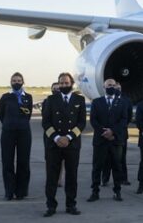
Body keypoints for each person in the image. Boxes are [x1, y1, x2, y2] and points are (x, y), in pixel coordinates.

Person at [42, 73, 87, 217]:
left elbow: (81, 123)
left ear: (72, 83)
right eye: (61, 83)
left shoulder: (79, 100)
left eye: (66, 83)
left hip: (72, 144)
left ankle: (71, 204)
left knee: (71, 176)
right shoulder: (51, 99)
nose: (63, 85)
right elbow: (46, 122)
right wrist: (56, 137)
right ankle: (51, 206)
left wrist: (68, 137)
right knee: (52, 177)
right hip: (54, 145)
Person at [88, 78, 132, 202]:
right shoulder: (97, 102)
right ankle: (95, 191)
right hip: (100, 140)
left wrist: (112, 131)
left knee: (117, 167)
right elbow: (93, 120)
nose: (111, 87)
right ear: (104, 87)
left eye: (113, 85)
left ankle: (117, 191)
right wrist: (104, 131)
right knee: (97, 167)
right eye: (108, 85)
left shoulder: (122, 102)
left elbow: (124, 120)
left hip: (115, 140)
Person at [0, 72, 33, 200]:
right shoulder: (5, 97)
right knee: (7, 162)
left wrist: (20, 124)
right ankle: (9, 190)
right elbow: (2, 115)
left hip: (24, 132)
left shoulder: (28, 97)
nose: (16, 82)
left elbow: (28, 115)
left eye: (19, 80)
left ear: (23, 82)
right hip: (8, 132)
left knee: (23, 162)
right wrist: (10, 124)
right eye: (14, 80)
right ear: (10, 82)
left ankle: (21, 191)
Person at [103, 82, 131, 186]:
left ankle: (123, 178)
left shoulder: (126, 101)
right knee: (107, 158)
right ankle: (105, 179)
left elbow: (127, 118)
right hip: (107, 133)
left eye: (119, 88)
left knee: (121, 158)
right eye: (116, 87)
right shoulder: (105, 100)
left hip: (121, 134)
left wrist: (118, 129)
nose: (117, 89)